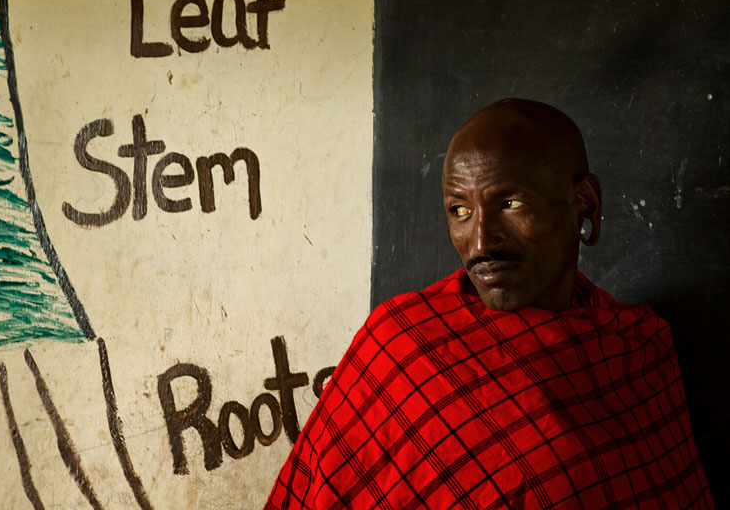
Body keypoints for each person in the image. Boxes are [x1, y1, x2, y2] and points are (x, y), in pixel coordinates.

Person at [264, 99, 713, 509]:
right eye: (460, 210)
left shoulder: (637, 352)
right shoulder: (400, 345)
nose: (480, 242)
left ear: (585, 201)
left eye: (510, 203)